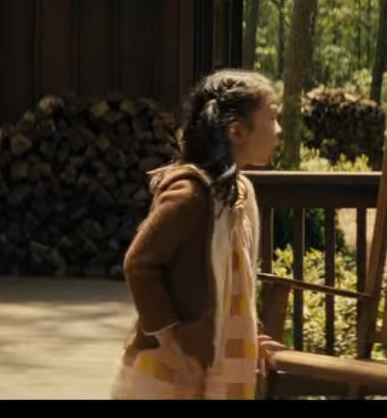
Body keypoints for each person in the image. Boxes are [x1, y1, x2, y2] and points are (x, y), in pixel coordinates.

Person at [112, 69, 287, 400]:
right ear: (237, 131)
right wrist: (172, 345)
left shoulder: (240, 194)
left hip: (218, 363)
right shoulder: (192, 194)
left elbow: (234, 281)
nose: (279, 129)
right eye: (272, 117)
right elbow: (139, 264)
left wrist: (252, 332)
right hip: (174, 370)